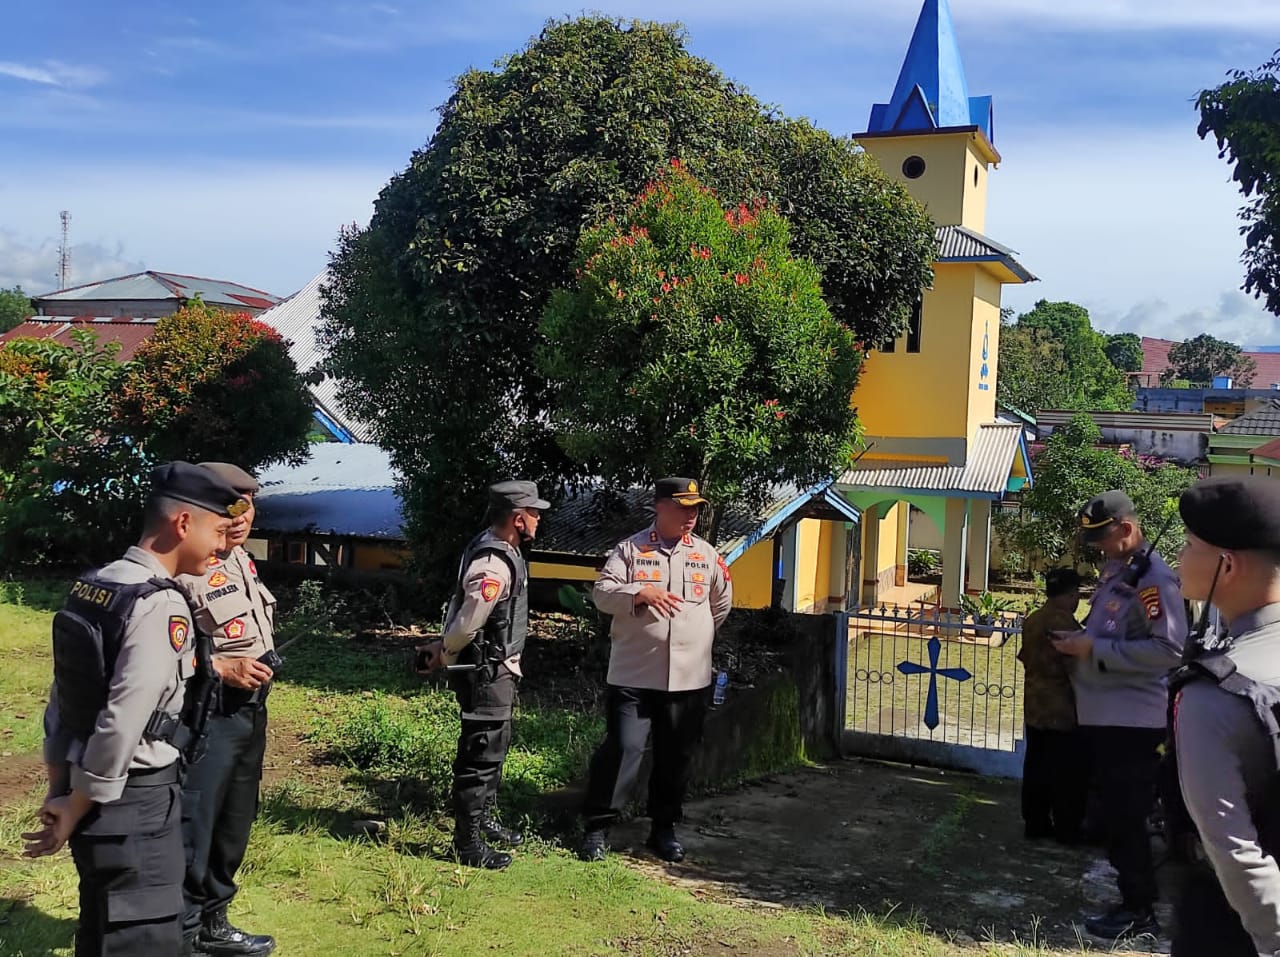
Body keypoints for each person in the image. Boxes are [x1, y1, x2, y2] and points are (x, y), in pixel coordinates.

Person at [23, 462, 245, 957]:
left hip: (92, 796)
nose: (222, 545)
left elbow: (64, 702)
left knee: (103, 930)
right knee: (143, 938)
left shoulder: (94, 585)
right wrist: (75, 804)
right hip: (135, 804)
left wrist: (64, 793)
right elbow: (123, 718)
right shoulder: (158, 604)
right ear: (183, 524)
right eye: (216, 530)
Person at [1052, 490, 1187, 940]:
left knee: (1128, 818)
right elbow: (1108, 627)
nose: (1098, 548)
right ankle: (1131, 899)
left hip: (1131, 723)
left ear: (1126, 530)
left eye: (1103, 538)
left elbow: (1169, 650)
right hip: (1105, 717)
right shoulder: (1120, 575)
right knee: (1113, 817)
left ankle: (1139, 910)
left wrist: (1094, 649)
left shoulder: (1155, 581)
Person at [578, 477, 733, 864]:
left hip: (688, 679)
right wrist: (638, 593)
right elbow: (601, 594)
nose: (691, 515)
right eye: (683, 507)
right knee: (625, 748)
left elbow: (721, 605)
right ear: (659, 507)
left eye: (695, 508)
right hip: (634, 675)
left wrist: (691, 637)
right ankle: (597, 827)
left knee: (675, 756)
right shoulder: (630, 550)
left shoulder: (707, 555)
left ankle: (663, 829)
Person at [1169, 476, 1280, 956]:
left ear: (1227, 565)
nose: (1178, 556)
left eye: (1191, 545)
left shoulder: (1213, 695)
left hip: (1236, 928)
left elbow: (1235, 853)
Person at [416, 480, 549, 870]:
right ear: (517, 518)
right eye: (534, 513)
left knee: (495, 746)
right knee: (481, 753)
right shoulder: (493, 562)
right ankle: (468, 841)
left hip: (496, 667)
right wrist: (444, 653)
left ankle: (485, 820)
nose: (539, 519)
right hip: (484, 670)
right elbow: (468, 620)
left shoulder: (501, 549)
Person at [176, 463, 277, 957]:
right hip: (207, 711)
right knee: (196, 820)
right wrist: (216, 666)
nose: (240, 517)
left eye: (248, 505)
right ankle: (184, 931)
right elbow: (159, 647)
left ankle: (214, 921)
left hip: (250, 709)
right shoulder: (182, 564)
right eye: (229, 506)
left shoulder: (241, 560)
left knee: (235, 820)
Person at [1017, 567, 1089, 844]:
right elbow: (1078, 668)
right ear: (1072, 594)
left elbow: (1025, 657)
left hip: (1035, 704)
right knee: (1067, 774)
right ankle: (1067, 828)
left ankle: (1035, 822)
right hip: (1063, 708)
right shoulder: (1066, 625)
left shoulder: (1033, 620)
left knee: (1036, 765)